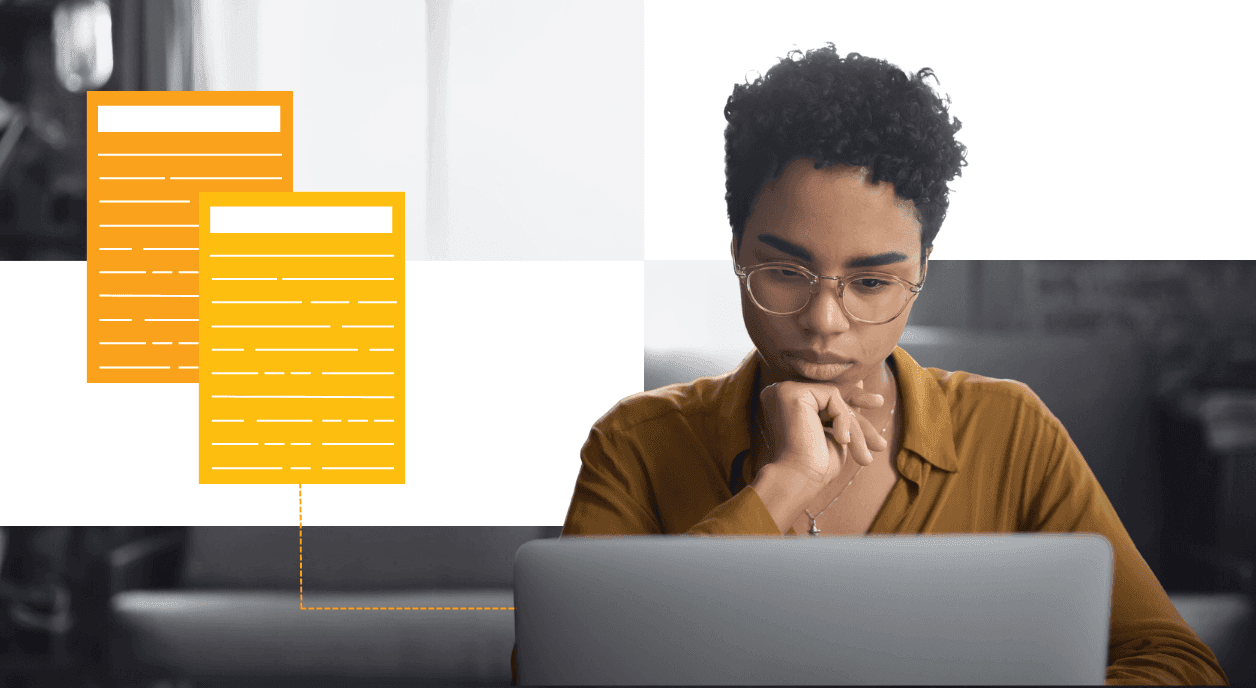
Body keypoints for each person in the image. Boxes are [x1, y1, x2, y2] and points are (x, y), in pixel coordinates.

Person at [545, 45, 1228, 686]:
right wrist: (781, 486)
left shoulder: (1010, 431)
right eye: (784, 271)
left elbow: (1178, 662)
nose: (824, 320)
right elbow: (569, 673)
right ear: (735, 252)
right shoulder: (635, 443)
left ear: (922, 272)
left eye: (871, 282)